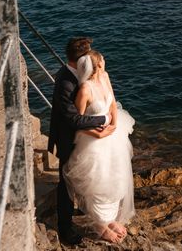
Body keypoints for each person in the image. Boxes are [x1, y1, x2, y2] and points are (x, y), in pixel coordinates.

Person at [62, 49, 135, 243]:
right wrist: (99, 133)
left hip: (112, 137)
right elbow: (77, 122)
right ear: (98, 64)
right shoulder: (85, 89)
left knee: (114, 179)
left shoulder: (105, 77)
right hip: (93, 140)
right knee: (97, 181)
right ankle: (99, 224)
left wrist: (113, 126)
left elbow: (112, 106)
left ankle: (109, 218)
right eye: (103, 60)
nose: (105, 62)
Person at [48, 37, 112, 245]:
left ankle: (88, 211)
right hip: (68, 139)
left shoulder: (84, 75)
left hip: (83, 138)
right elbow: (73, 119)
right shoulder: (66, 82)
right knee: (66, 183)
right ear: (80, 59)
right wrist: (103, 119)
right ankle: (65, 229)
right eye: (89, 55)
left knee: (86, 177)